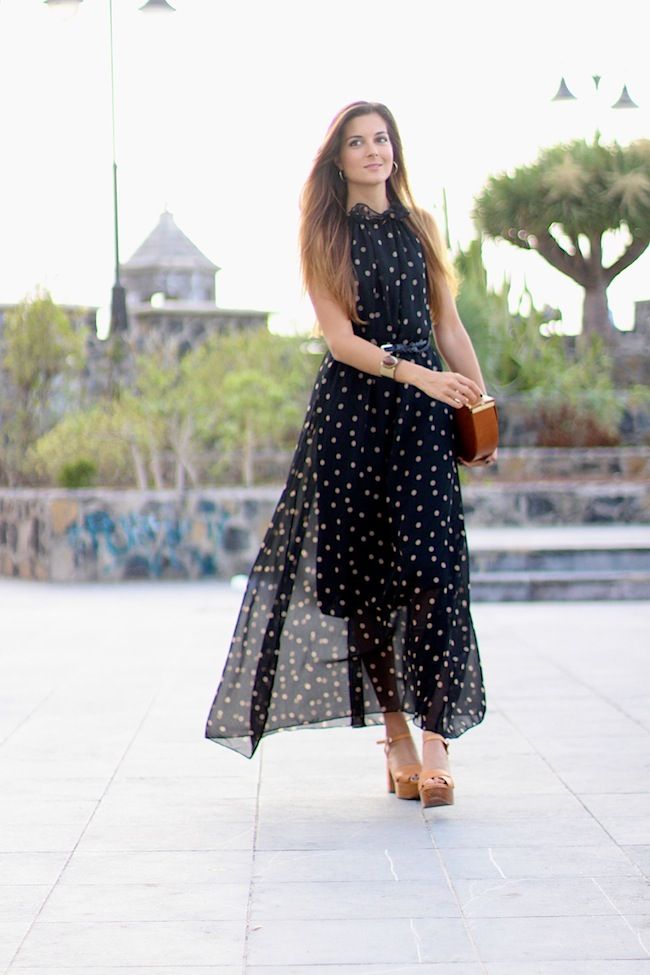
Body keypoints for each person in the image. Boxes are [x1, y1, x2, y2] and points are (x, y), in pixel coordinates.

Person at [205, 100, 494, 808]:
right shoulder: (323, 233)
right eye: (358, 142)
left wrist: (479, 405)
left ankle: (436, 741)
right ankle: (395, 737)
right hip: (354, 415)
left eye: (382, 139)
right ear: (337, 159)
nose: (373, 151)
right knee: (365, 579)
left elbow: (449, 326)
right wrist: (418, 375)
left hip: (422, 420)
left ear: (396, 150)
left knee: (434, 572)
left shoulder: (421, 227)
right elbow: (341, 341)